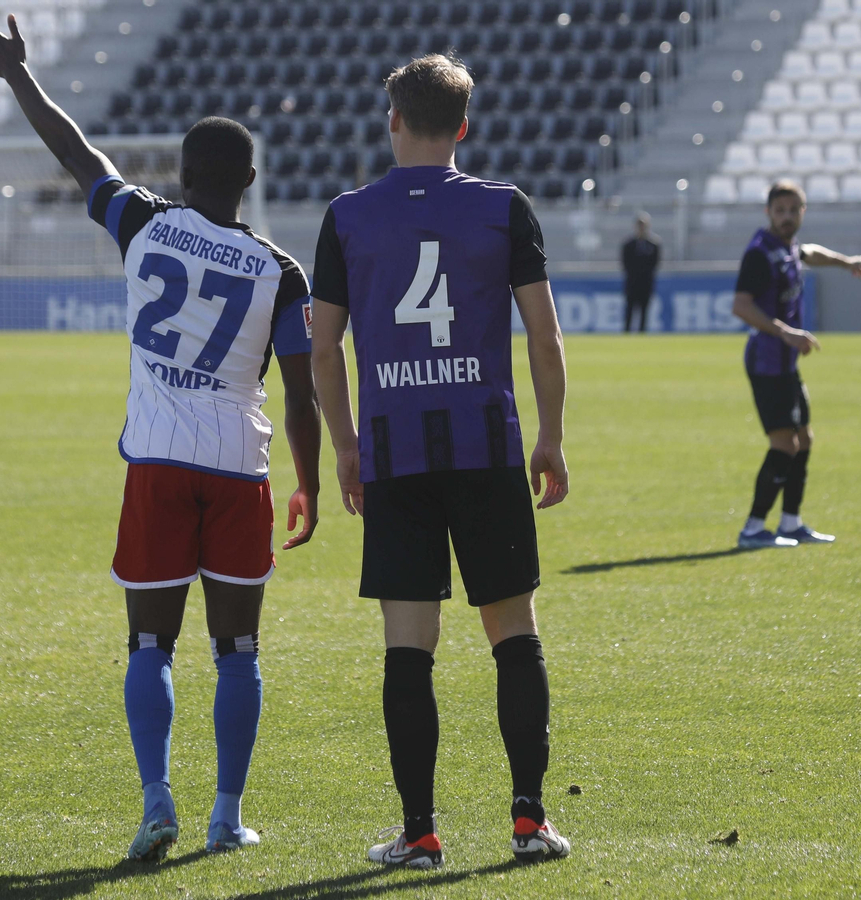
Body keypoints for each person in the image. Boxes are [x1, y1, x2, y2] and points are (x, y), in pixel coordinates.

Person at [0, 14, 323, 861]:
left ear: (182, 174)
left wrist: (19, 76)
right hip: (241, 464)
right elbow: (300, 392)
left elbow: (78, 154)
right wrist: (306, 479)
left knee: (149, 643)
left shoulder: (145, 225)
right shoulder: (280, 271)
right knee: (238, 649)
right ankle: (227, 817)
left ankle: (157, 801)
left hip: (157, 461)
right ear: (251, 181)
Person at [309, 54, 573, 870]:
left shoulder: (347, 215)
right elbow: (544, 335)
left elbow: (324, 351)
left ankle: (420, 832)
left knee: (408, 643)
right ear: (464, 126)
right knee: (512, 631)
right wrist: (551, 437)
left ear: (393, 121)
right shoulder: (504, 208)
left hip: (396, 453)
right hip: (486, 445)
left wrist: (348, 447)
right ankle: (530, 822)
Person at [731, 180, 861, 549]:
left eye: (794, 210)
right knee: (785, 444)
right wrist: (787, 333)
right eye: (780, 211)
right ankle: (753, 528)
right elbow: (741, 306)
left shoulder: (787, 247)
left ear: (802, 212)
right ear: (768, 213)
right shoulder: (760, 253)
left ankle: (791, 523)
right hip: (767, 361)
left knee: (803, 439)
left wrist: (847, 263)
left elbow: (810, 253)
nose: (787, 217)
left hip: (786, 363)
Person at [620, 213, 660, 333]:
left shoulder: (654, 244)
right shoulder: (628, 244)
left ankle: (642, 333)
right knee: (629, 311)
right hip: (632, 283)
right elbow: (625, 263)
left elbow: (655, 264)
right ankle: (626, 333)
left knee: (644, 311)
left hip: (646, 283)